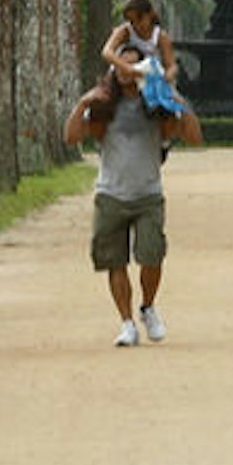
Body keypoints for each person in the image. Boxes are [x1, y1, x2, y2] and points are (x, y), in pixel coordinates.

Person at [67, 34, 195, 346]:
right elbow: (71, 137)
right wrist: (83, 103)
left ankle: (148, 307)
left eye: (134, 62)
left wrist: (180, 103)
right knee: (115, 261)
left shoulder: (156, 103)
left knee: (152, 256)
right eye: (121, 61)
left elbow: (193, 136)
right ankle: (126, 322)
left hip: (148, 193)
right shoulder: (102, 104)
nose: (127, 68)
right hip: (110, 193)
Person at [100, 0, 195, 121]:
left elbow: (171, 65)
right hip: (123, 73)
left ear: (150, 14)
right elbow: (107, 52)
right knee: (102, 95)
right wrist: (127, 68)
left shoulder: (160, 36)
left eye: (139, 19)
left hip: (149, 76)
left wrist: (167, 76)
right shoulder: (125, 31)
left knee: (175, 104)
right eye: (131, 21)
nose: (136, 26)